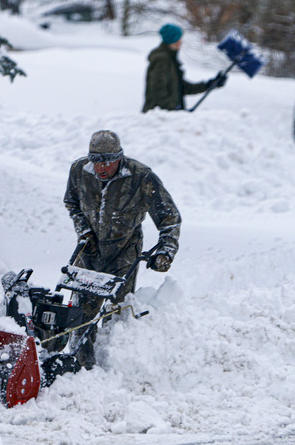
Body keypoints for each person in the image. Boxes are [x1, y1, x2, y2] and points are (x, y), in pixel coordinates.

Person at [63, 129, 182, 368]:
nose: (101, 168)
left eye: (107, 161)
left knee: (116, 311)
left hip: (124, 251)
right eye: (96, 161)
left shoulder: (141, 177)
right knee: (81, 311)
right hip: (89, 249)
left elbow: (170, 218)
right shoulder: (79, 171)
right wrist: (84, 231)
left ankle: (113, 364)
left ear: (120, 157)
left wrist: (165, 250)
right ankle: (80, 364)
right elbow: (72, 203)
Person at [142, 23, 226, 112]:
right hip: (158, 117)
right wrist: (173, 108)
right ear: (172, 40)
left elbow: (182, 87)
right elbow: (157, 90)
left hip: (166, 116)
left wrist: (210, 85)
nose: (181, 42)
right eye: (178, 39)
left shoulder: (170, 59)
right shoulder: (162, 59)